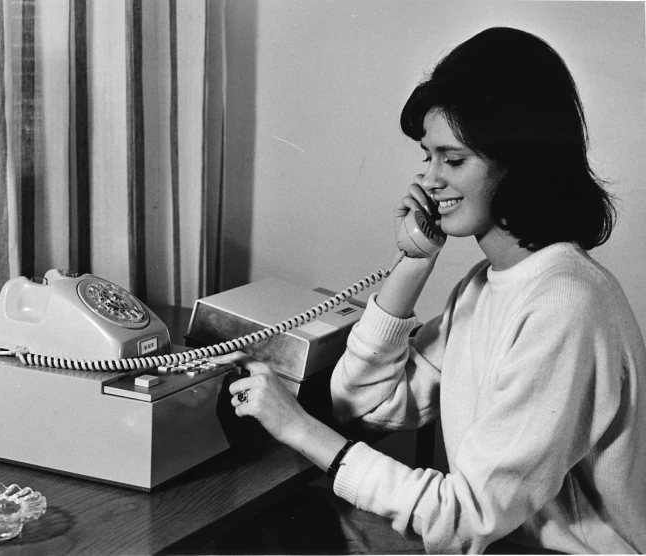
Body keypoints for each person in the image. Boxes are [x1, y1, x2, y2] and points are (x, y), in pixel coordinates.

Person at [213, 26, 646, 554]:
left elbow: (462, 518)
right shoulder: (485, 287)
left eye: (454, 159)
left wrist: (298, 427)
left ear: (520, 163)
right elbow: (366, 404)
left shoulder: (564, 305)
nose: (431, 180)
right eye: (428, 157)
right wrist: (416, 260)